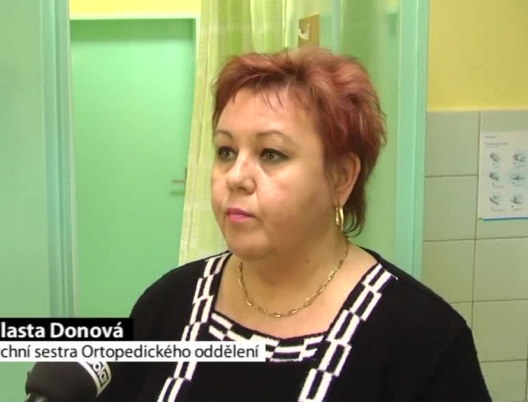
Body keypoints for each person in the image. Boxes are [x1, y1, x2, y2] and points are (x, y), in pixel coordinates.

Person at [99, 47, 491, 401]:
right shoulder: (169, 304)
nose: (236, 177)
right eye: (226, 151)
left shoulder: (423, 340)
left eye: (270, 153)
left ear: (340, 177)